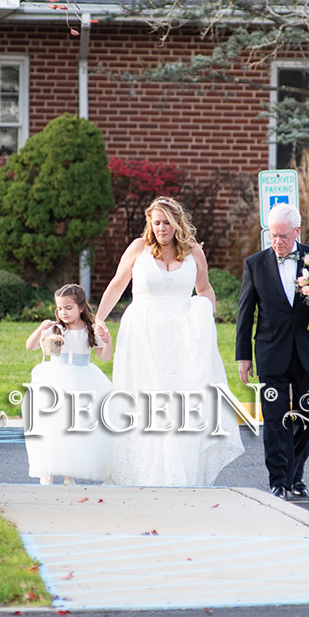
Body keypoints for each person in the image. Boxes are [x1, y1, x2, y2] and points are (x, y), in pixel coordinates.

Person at [94, 197, 243, 487]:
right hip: (143, 334)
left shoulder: (194, 252)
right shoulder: (139, 249)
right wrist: (99, 319)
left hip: (181, 336)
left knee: (178, 403)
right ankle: (141, 471)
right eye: (156, 222)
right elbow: (117, 283)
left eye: (166, 222)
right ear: (150, 223)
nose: (161, 228)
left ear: (177, 223)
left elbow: (204, 288)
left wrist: (208, 312)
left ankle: (177, 471)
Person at [235, 203, 309, 499]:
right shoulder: (255, 264)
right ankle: (280, 480)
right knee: (275, 419)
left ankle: (295, 473)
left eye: (283, 236)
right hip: (271, 353)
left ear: (297, 231)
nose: (277, 242)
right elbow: (245, 313)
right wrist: (243, 356)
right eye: (272, 235)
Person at [24, 283, 114, 485]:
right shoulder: (56, 328)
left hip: (83, 379)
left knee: (75, 426)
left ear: (81, 307)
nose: (63, 312)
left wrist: (107, 341)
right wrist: (42, 330)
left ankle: (69, 474)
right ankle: (47, 469)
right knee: (53, 424)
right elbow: (31, 346)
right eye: (59, 308)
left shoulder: (90, 329)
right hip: (56, 378)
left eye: (68, 308)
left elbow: (106, 357)